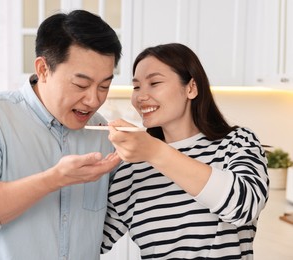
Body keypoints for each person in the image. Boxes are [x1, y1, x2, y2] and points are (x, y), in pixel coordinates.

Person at [0, 10, 122, 260]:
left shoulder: (101, 132)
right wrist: (52, 179)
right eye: (81, 85)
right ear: (43, 69)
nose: (94, 99)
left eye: (104, 86)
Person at [101, 43, 269, 259]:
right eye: (136, 87)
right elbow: (89, 242)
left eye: (154, 83)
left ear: (191, 88)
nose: (141, 96)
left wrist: (155, 152)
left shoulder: (236, 143)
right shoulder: (132, 171)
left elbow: (243, 208)